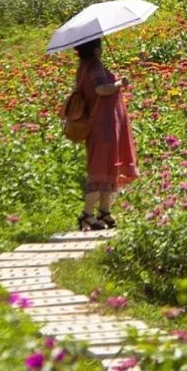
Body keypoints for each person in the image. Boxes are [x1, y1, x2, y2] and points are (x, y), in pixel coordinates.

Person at [73, 38, 140, 230]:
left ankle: (104, 212)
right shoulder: (94, 67)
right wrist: (119, 83)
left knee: (109, 168)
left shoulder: (85, 67)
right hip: (103, 126)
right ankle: (87, 215)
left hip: (106, 125)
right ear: (96, 50)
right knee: (99, 170)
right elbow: (101, 89)